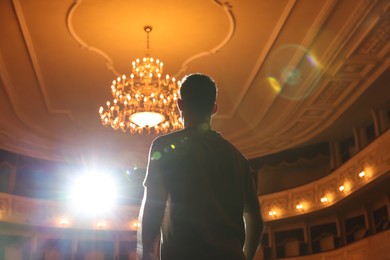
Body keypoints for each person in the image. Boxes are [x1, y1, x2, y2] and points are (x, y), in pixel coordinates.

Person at [137, 73, 264, 260]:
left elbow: (153, 208)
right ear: (214, 109)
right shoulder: (238, 159)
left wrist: (147, 254)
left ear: (180, 104)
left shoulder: (164, 146)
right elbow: (255, 221)